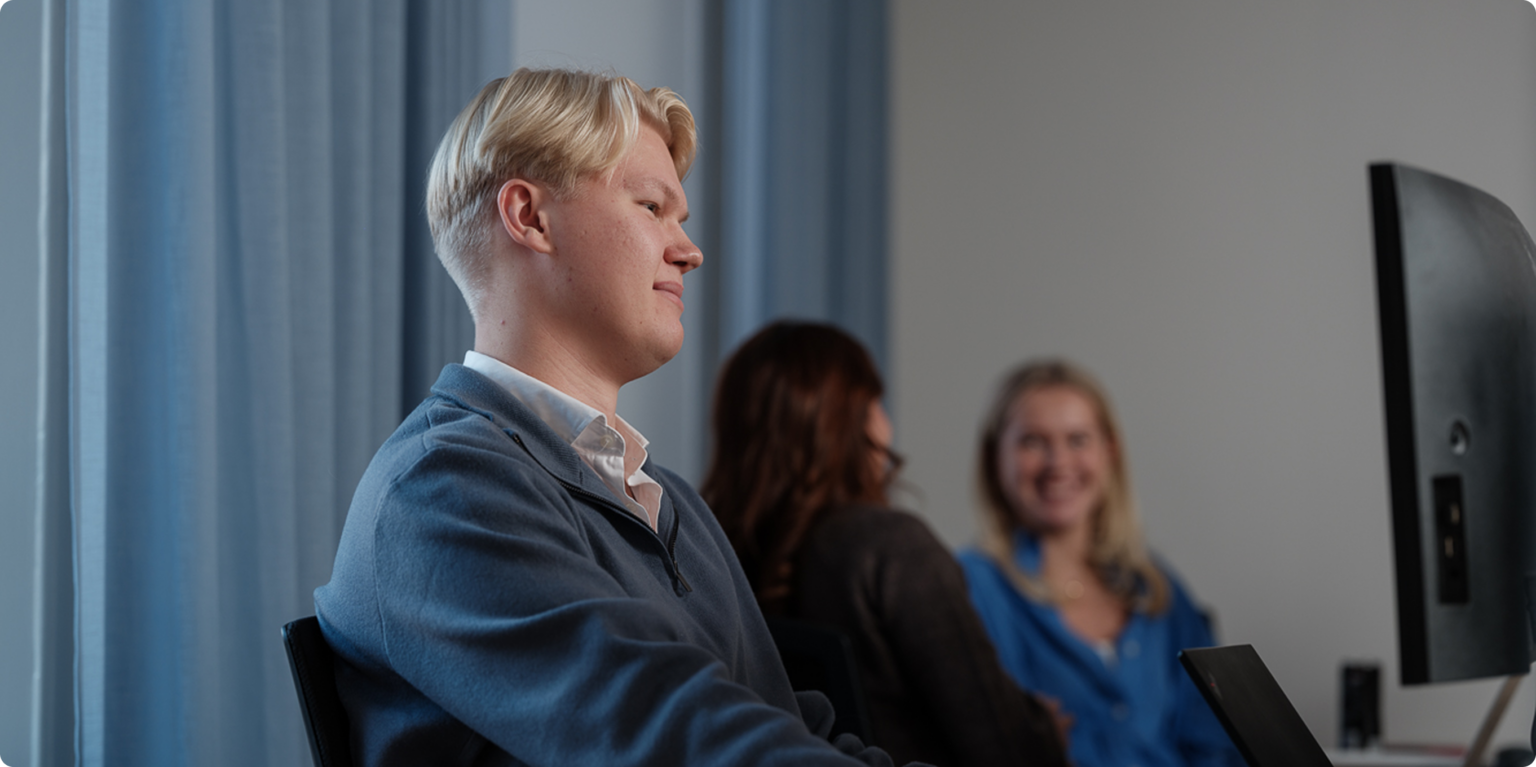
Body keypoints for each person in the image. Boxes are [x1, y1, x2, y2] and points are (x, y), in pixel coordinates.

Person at [314, 68, 920, 767]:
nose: (689, 250)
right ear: (530, 217)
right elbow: (675, 738)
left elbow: (787, 728)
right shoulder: (441, 491)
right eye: (652, 207)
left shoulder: (668, 499)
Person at [701, 321, 1072, 767]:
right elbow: (1005, 745)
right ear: (851, 421)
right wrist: (1043, 726)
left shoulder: (704, 550)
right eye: (876, 403)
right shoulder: (891, 548)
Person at [957, 360, 1242, 767]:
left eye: (1077, 440)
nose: (1058, 463)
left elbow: (1215, 741)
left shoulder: (1156, 589)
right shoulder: (969, 587)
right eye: (1033, 442)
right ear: (994, 456)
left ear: (1109, 451)